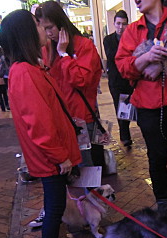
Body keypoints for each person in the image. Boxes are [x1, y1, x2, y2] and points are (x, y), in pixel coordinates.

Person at [0, 9, 81, 238]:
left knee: (57, 202)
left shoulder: (31, 68)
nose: (44, 29)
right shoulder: (25, 72)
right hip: (49, 158)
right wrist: (60, 156)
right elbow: (40, 126)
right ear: (25, 33)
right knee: (54, 205)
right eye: (37, 25)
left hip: (52, 154)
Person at [115, 0, 167, 213]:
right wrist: (145, 58)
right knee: (157, 155)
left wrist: (163, 67)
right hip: (148, 105)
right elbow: (123, 67)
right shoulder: (133, 30)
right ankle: (163, 197)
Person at [35, 1, 103, 168]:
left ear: (61, 23)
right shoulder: (46, 49)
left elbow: (80, 81)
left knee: (85, 166)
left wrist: (64, 55)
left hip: (80, 118)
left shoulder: (84, 46)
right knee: (68, 168)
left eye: (50, 27)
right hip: (58, 118)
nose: (48, 33)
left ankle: (91, 194)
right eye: (44, 28)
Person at [103, 10, 134, 147]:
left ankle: (125, 133)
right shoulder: (108, 40)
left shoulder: (131, 39)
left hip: (128, 79)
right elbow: (112, 56)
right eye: (118, 24)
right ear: (114, 24)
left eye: (124, 24)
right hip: (115, 80)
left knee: (127, 107)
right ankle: (124, 135)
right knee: (119, 107)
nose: (121, 27)